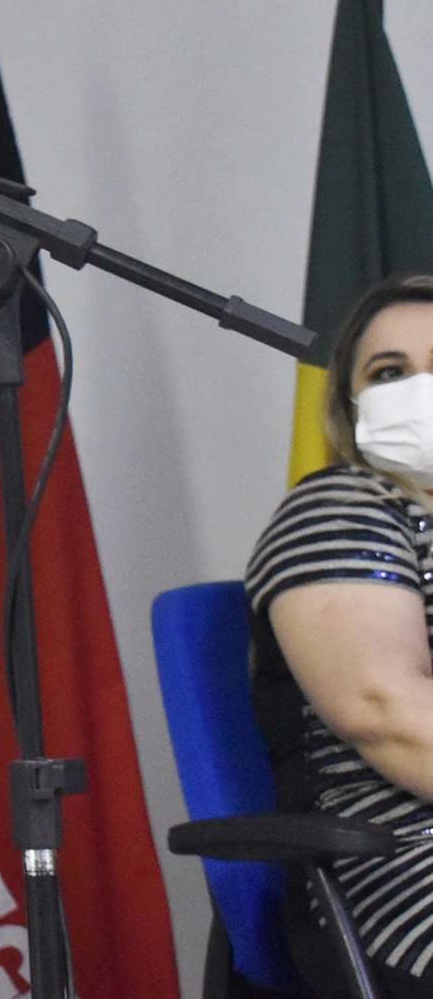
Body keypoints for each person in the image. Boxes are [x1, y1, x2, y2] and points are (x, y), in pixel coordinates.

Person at [248, 272, 433, 998]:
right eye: (389, 372)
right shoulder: (340, 507)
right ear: (348, 403)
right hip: (401, 870)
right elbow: (389, 715)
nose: (420, 388)